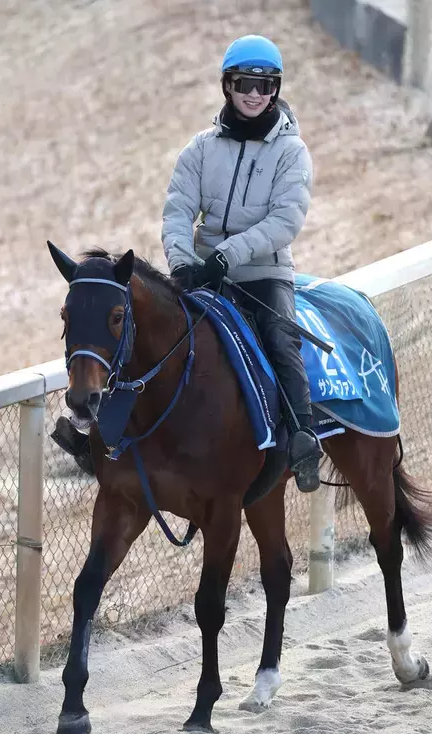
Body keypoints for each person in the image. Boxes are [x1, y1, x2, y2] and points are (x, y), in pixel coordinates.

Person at [161, 34, 323, 492]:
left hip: (264, 272)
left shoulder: (292, 152)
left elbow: (285, 220)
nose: (255, 94)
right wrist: (182, 260)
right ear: (227, 86)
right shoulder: (200, 148)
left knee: (280, 338)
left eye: (265, 85)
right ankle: (106, 433)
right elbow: (177, 211)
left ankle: (303, 438)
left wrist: (226, 256)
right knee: (151, 328)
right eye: (245, 83)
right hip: (201, 271)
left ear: (275, 90)